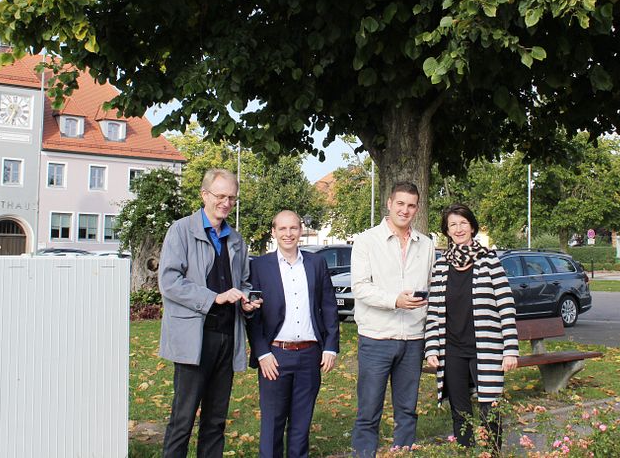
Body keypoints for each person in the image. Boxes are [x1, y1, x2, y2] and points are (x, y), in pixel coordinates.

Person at [158, 168, 261, 458]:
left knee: (215, 421)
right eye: (220, 196)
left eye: (232, 198)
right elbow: (169, 282)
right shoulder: (181, 230)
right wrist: (214, 298)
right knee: (182, 420)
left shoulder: (237, 240)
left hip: (227, 338)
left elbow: (243, 283)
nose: (226, 203)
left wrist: (246, 301)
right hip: (194, 338)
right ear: (204, 195)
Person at [350, 182, 436, 456]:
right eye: (400, 203)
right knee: (368, 412)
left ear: (417, 208)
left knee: (407, 410)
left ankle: (403, 452)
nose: (405, 210)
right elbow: (360, 287)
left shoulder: (427, 244)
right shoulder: (366, 241)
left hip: (413, 339)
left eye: (411, 205)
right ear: (389, 203)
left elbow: (432, 287)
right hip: (377, 338)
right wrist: (394, 300)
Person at [424, 203, 519, 451]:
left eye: (463, 223)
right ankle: (465, 451)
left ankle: (491, 453)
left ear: (472, 227)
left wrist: (510, 349)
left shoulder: (489, 261)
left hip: (485, 349)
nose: (458, 229)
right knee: (459, 409)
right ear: (446, 230)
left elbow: (506, 306)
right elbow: (434, 310)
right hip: (453, 349)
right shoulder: (442, 264)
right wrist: (431, 349)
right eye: (452, 224)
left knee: (489, 408)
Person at [248, 210, 340, 458]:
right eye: (282, 229)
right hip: (275, 356)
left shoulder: (316, 263)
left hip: (310, 355)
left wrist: (330, 346)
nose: (288, 234)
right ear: (274, 232)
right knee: (272, 425)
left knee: (301, 426)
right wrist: (262, 353)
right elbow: (253, 315)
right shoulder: (260, 266)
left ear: (300, 231)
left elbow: (329, 305)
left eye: (293, 228)